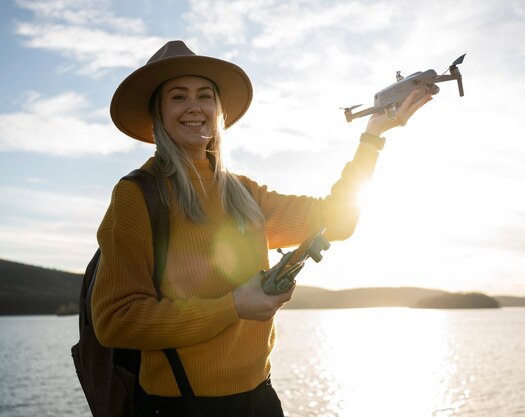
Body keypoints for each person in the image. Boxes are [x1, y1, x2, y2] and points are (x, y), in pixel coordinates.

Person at [91, 40, 432, 417]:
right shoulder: (137, 194)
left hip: (260, 399)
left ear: (218, 111)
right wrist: (233, 306)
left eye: (205, 95)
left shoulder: (244, 191)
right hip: (179, 408)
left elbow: (337, 219)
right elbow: (114, 321)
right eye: (178, 97)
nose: (194, 107)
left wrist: (373, 136)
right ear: (158, 112)